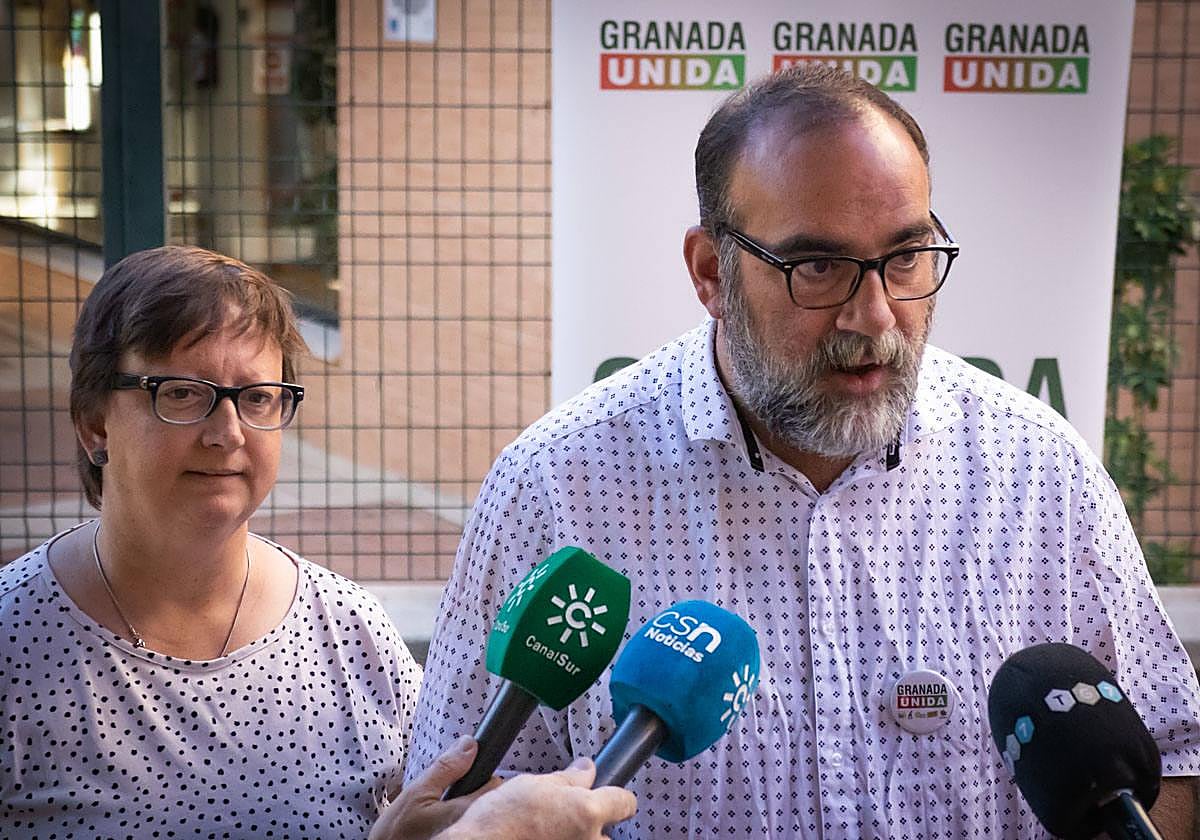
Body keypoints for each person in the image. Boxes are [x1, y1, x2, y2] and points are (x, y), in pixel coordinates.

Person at [405, 64, 1200, 838]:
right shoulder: (554, 486)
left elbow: (1177, 761)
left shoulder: (1043, 474)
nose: (876, 316)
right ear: (712, 272)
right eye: (818, 266)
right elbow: (454, 804)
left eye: (906, 257)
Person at [0, 245, 635, 839]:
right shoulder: (14, 642)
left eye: (257, 398)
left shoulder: (350, 630)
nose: (228, 432)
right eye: (183, 395)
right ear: (93, 424)